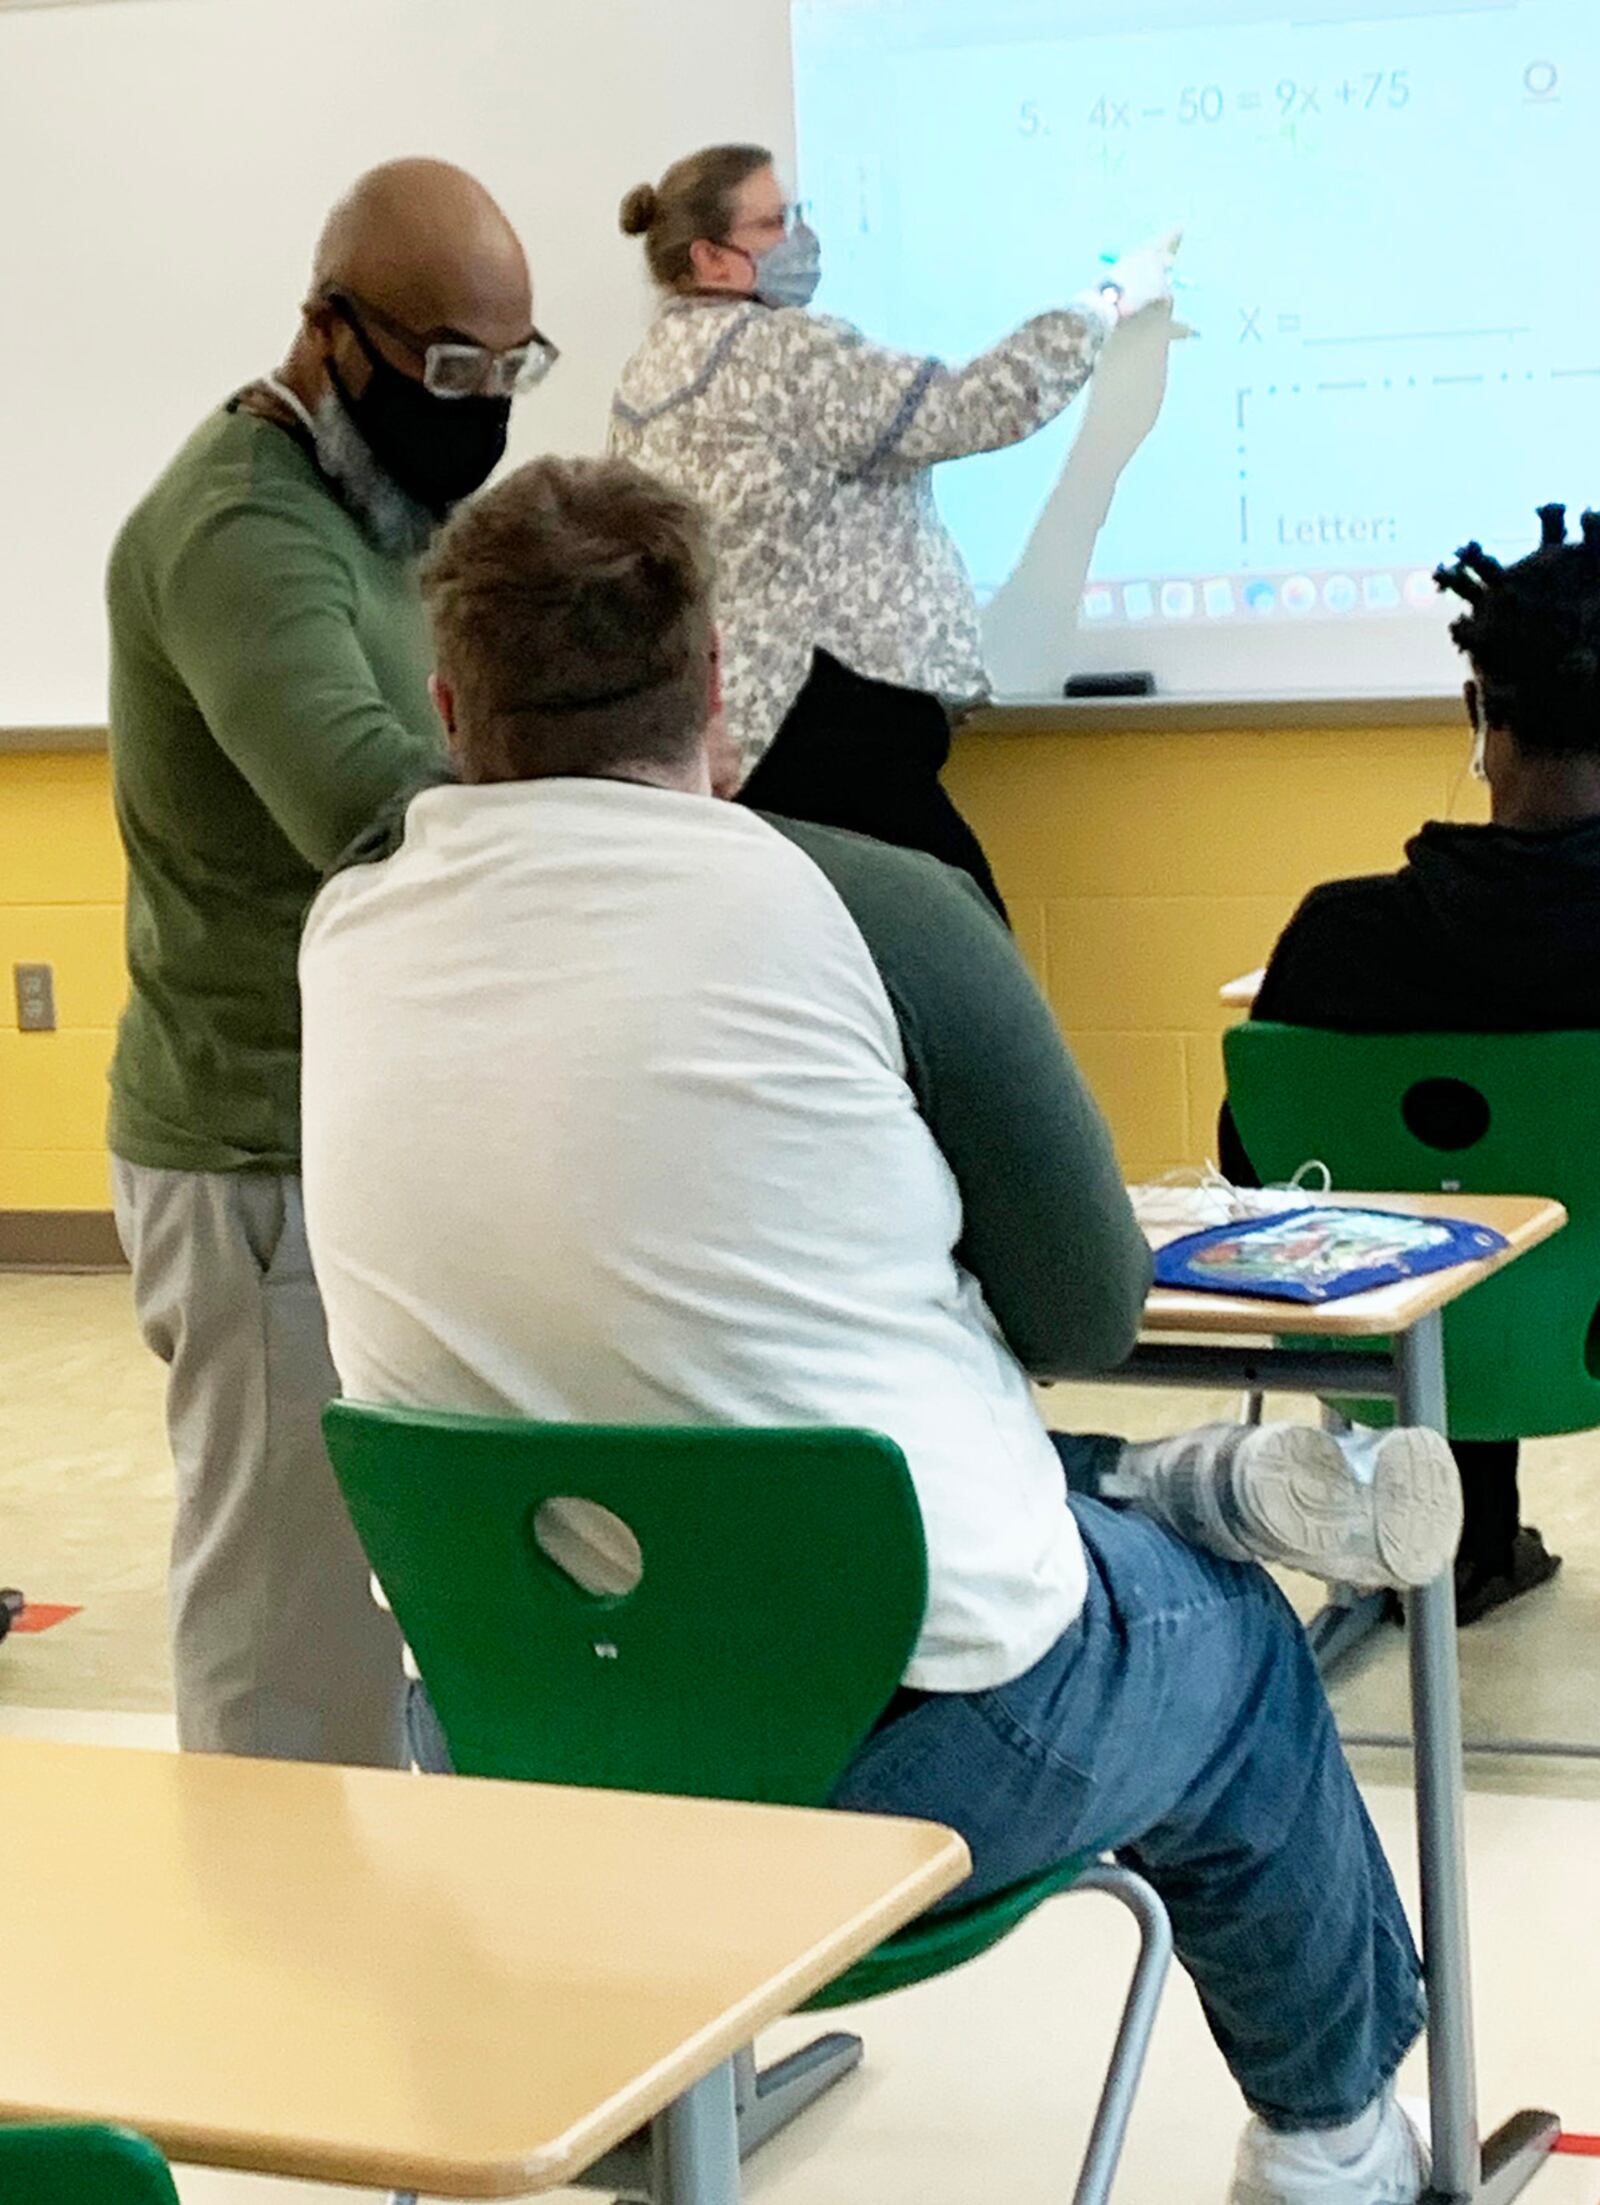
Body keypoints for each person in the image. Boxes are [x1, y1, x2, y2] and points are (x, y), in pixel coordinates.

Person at [299, 455, 1463, 2202]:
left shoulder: (350, 933)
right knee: (1233, 1650)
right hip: (910, 1754)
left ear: (452, 705)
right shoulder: (866, 903)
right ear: (715, 693)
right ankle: (1335, 2143)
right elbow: (1084, 1303)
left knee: (786, 1437)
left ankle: (1158, 1493)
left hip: (522, 1741)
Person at [106, 157, 554, 1765]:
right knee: (282, 1611)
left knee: (419, 1583)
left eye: (511, 372)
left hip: (378, 1129)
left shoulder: (391, 504)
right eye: (450, 372)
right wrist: (605, 831)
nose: (483, 411)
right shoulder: (240, 526)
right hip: (253, 1149)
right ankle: (269, 1973)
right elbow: (368, 804)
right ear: (329, 330)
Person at [609, 143, 1178, 916]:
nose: (800, 238)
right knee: (964, 948)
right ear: (711, 257)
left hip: (739, 736)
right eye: (776, 222)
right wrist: (1107, 302)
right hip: (832, 719)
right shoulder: (781, 353)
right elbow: (976, 403)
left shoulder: (645, 376)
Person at [1221, 502, 1600, 1626]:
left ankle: (1462, 1543)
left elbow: (1255, 1173)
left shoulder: (1339, 938)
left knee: (1447, 1218)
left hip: (1402, 1344)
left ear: (1478, 710)